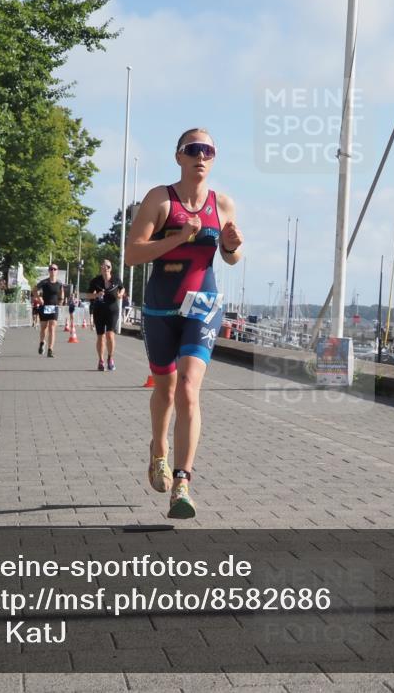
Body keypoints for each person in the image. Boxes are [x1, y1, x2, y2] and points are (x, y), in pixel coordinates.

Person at [125, 128, 243, 519]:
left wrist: (230, 244)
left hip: (202, 306)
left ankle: (182, 482)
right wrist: (177, 238)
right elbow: (132, 254)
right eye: (193, 149)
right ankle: (158, 450)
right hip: (160, 307)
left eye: (208, 150)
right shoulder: (161, 199)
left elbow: (232, 258)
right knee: (166, 388)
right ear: (179, 156)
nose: (201, 156)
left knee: (189, 390)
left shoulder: (222, 203)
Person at [88, 260, 125, 371]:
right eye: (104, 266)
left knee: (110, 334)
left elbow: (122, 288)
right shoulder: (96, 281)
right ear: (101, 268)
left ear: (111, 268)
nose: (106, 268)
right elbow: (88, 295)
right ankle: (101, 360)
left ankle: (110, 358)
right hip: (99, 310)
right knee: (100, 336)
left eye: (108, 266)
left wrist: (120, 294)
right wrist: (96, 295)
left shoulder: (116, 279)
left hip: (112, 310)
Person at [34, 265, 65, 357]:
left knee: (52, 328)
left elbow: (61, 292)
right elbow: (34, 290)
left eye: (54, 269)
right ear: (49, 271)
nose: (53, 271)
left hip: (54, 308)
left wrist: (61, 301)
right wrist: (39, 299)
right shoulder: (44, 282)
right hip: (44, 307)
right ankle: (42, 342)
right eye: (51, 269)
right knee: (44, 328)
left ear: (57, 271)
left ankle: (50, 349)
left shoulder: (59, 283)